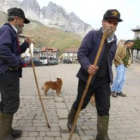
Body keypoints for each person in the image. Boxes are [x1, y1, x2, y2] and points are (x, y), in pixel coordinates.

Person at [67, 9, 122, 140]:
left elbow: (109, 60)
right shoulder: (92, 35)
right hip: (88, 78)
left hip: (103, 80)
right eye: (109, 22)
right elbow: (81, 53)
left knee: (104, 107)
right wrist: (87, 66)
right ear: (103, 22)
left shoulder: (114, 40)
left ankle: (102, 135)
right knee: (82, 102)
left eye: (115, 23)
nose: (112, 25)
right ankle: (71, 120)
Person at [0, 7, 32, 140]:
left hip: (10, 73)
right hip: (7, 73)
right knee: (11, 102)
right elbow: (2, 49)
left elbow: (13, 51)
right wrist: (18, 62)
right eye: (22, 21)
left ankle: (7, 129)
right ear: (17, 19)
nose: (23, 25)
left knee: (8, 101)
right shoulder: (7, 30)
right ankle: (4, 134)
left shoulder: (12, 32)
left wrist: (25, 45)